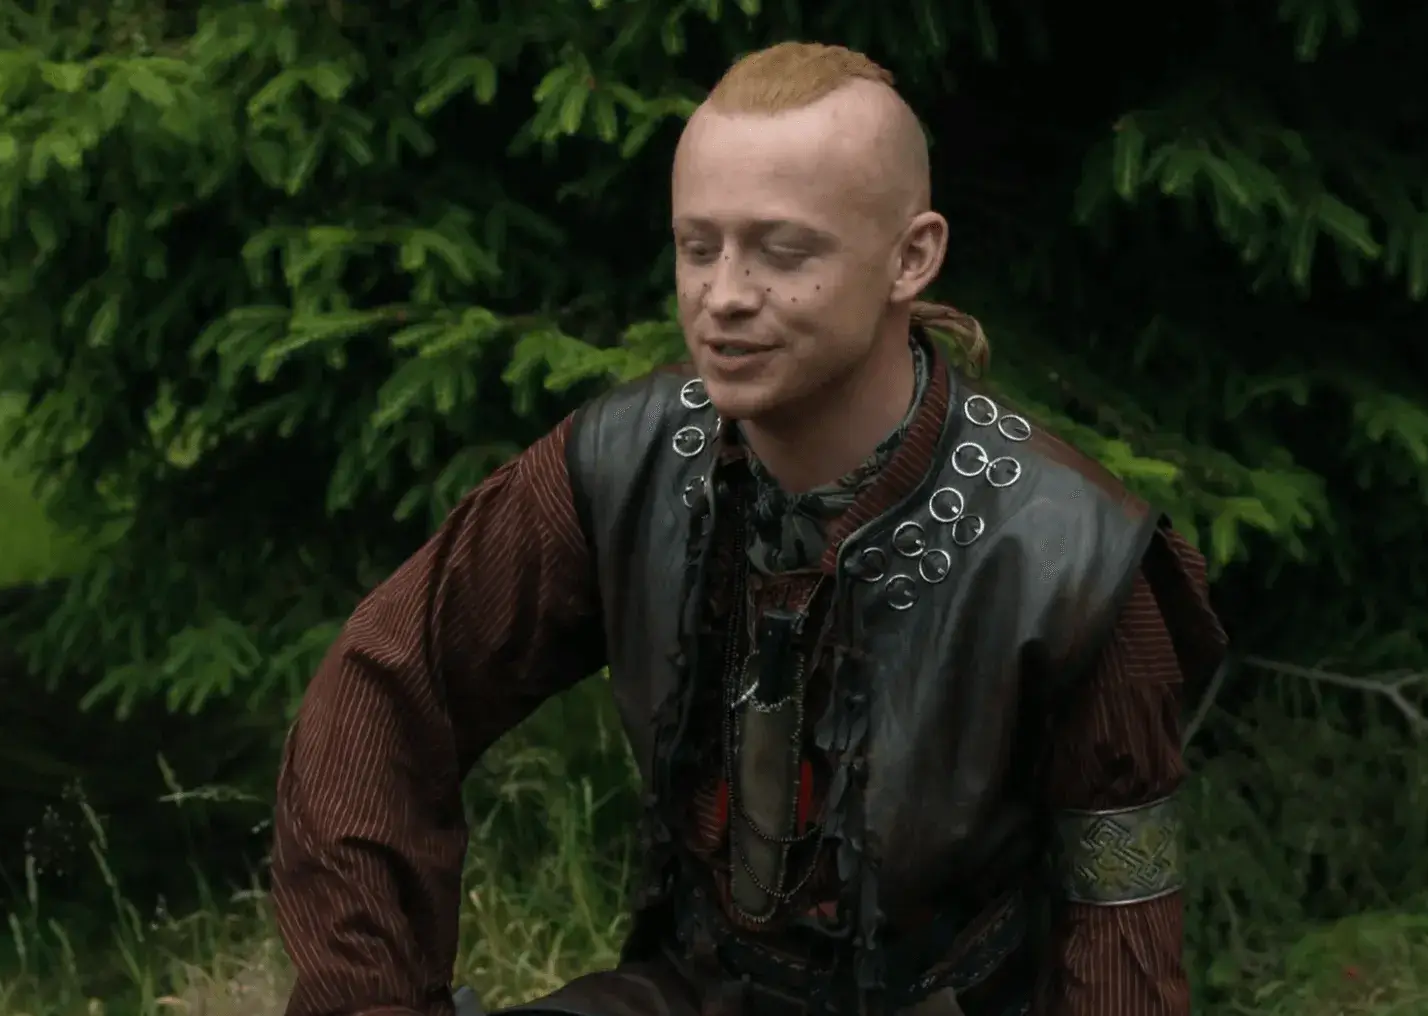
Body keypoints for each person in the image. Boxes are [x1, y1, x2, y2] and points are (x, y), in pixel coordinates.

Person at [270, 41, 1228, 1016]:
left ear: (911, 257)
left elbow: (1123, 935)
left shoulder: (1070, 556)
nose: (723, 295)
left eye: (783, 250)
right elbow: (386, 689)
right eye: (699, 247)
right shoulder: (624, 461)